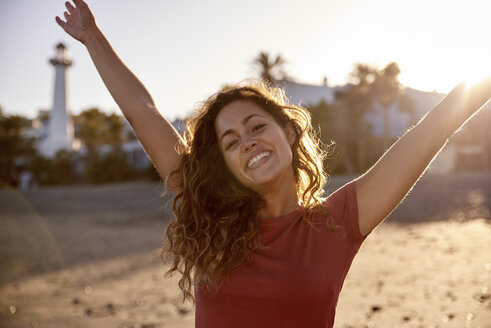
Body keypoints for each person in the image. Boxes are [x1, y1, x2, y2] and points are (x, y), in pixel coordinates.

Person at [56, 1, 491, 327]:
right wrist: (93, 38)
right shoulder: (210, 209)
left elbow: (431, 131)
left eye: (256, 126)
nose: (247, 142)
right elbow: (144, 113)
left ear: (288, 132)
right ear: (223, 165)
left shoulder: (337, 224)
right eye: (231, 142)